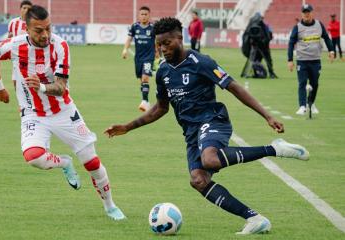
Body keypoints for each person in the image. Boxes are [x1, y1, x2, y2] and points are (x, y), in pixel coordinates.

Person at [105, 17, 309, 235]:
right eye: (159, 45)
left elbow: (234, 87)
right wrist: (127, 127)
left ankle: (274, 148)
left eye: (167, 43)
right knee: (199, 180)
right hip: (191, 133)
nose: (163, 49)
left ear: (179, 38)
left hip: (213, 119)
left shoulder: (200, 61)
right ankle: (255, 219)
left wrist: (267, 116)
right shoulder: (163, 72)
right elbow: (160, 108)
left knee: (209, 158)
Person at [0, 5, 125, 220]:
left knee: (92, 163)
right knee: (33, 157)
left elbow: (61, 87)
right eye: (39, 30)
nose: (45, 35)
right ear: (27, 29)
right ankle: (65, 162)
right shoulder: (15, 45)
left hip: (63, 111)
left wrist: (41, 87)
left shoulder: (60, 45)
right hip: (32, 113)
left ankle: (110, 206)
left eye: (48, 29)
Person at [288, 4, 334, 115]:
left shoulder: (319, 25)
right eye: (304, 12)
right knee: (302, 83)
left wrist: (331, 51)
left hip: (315, 60)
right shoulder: (297, 27)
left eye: (308, 12)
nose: (306, 14)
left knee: (315, 84)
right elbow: (291, 43)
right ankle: (302, 106)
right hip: (302, 60)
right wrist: (290, 60)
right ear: (302, 14)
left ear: (312, 12)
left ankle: (311, 103)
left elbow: (326, 38)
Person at [122, 6, 157, 112]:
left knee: (145, 78)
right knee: (141, 80)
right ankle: (146, 100)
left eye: (146, 14)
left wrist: (157, 53)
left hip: (149, 58)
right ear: (139, 15)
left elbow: (157, 41)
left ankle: (145, 101)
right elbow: (129, 39)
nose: (144, 16)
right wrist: (125, 50)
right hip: (138, 58)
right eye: (142, 14)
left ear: (149, 15)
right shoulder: (134, 27)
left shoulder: (153, 28)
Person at [241, 13, 277, 79]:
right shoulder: (264, 26)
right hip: (261, 47)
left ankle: (251, 73)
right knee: (262, 60)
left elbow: (246, 37)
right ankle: (270, 73)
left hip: (259, 46)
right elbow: (269, 36)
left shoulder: (253, 26)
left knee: (254, 60)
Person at [7, 1, 33, 90]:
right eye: (24, 8)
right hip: (16, 58)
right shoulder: (13, 23)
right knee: (15, 82)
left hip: (31, 58)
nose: (26, 10)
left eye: (28, 9)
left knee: (29, 84)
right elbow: (9, 38)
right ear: (20, 9)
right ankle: (22, 102)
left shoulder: (33, 23)